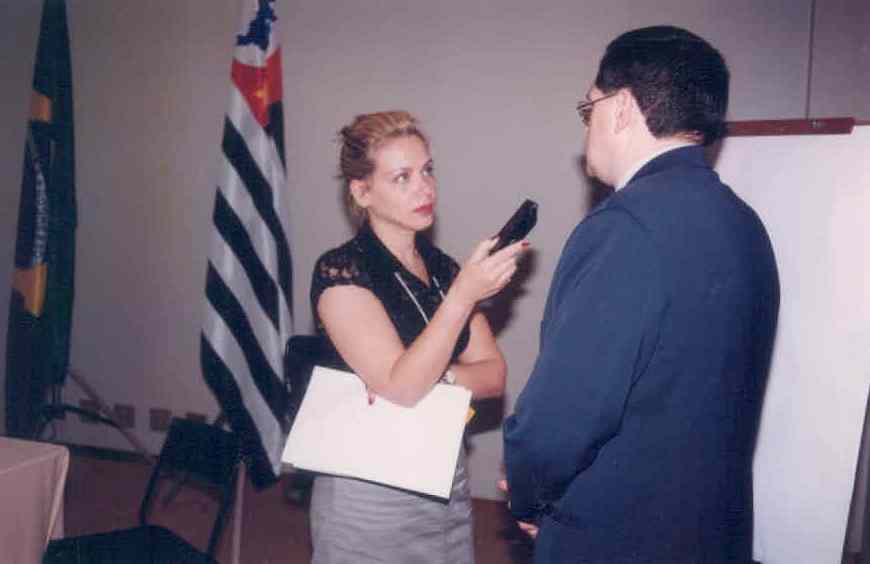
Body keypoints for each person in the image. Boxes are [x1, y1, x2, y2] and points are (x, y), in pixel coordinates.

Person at [502, 26, 780, 563]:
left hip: (617, 538)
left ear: (622, 108)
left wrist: (530, 493)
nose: (587, 128)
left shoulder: (625, 227)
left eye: (589, 110)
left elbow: (562, 419)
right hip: (709, 534)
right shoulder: (745, 224)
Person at [308, 110, 527, 563]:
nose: (424, 188)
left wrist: (436, 377)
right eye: (402, 177)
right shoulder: (342, 271)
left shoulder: (443, 269)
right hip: (368, 491)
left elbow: (494, 376)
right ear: (362, 192)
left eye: (427, 170)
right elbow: (403, 389)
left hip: (443, 473)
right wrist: (463, 297)